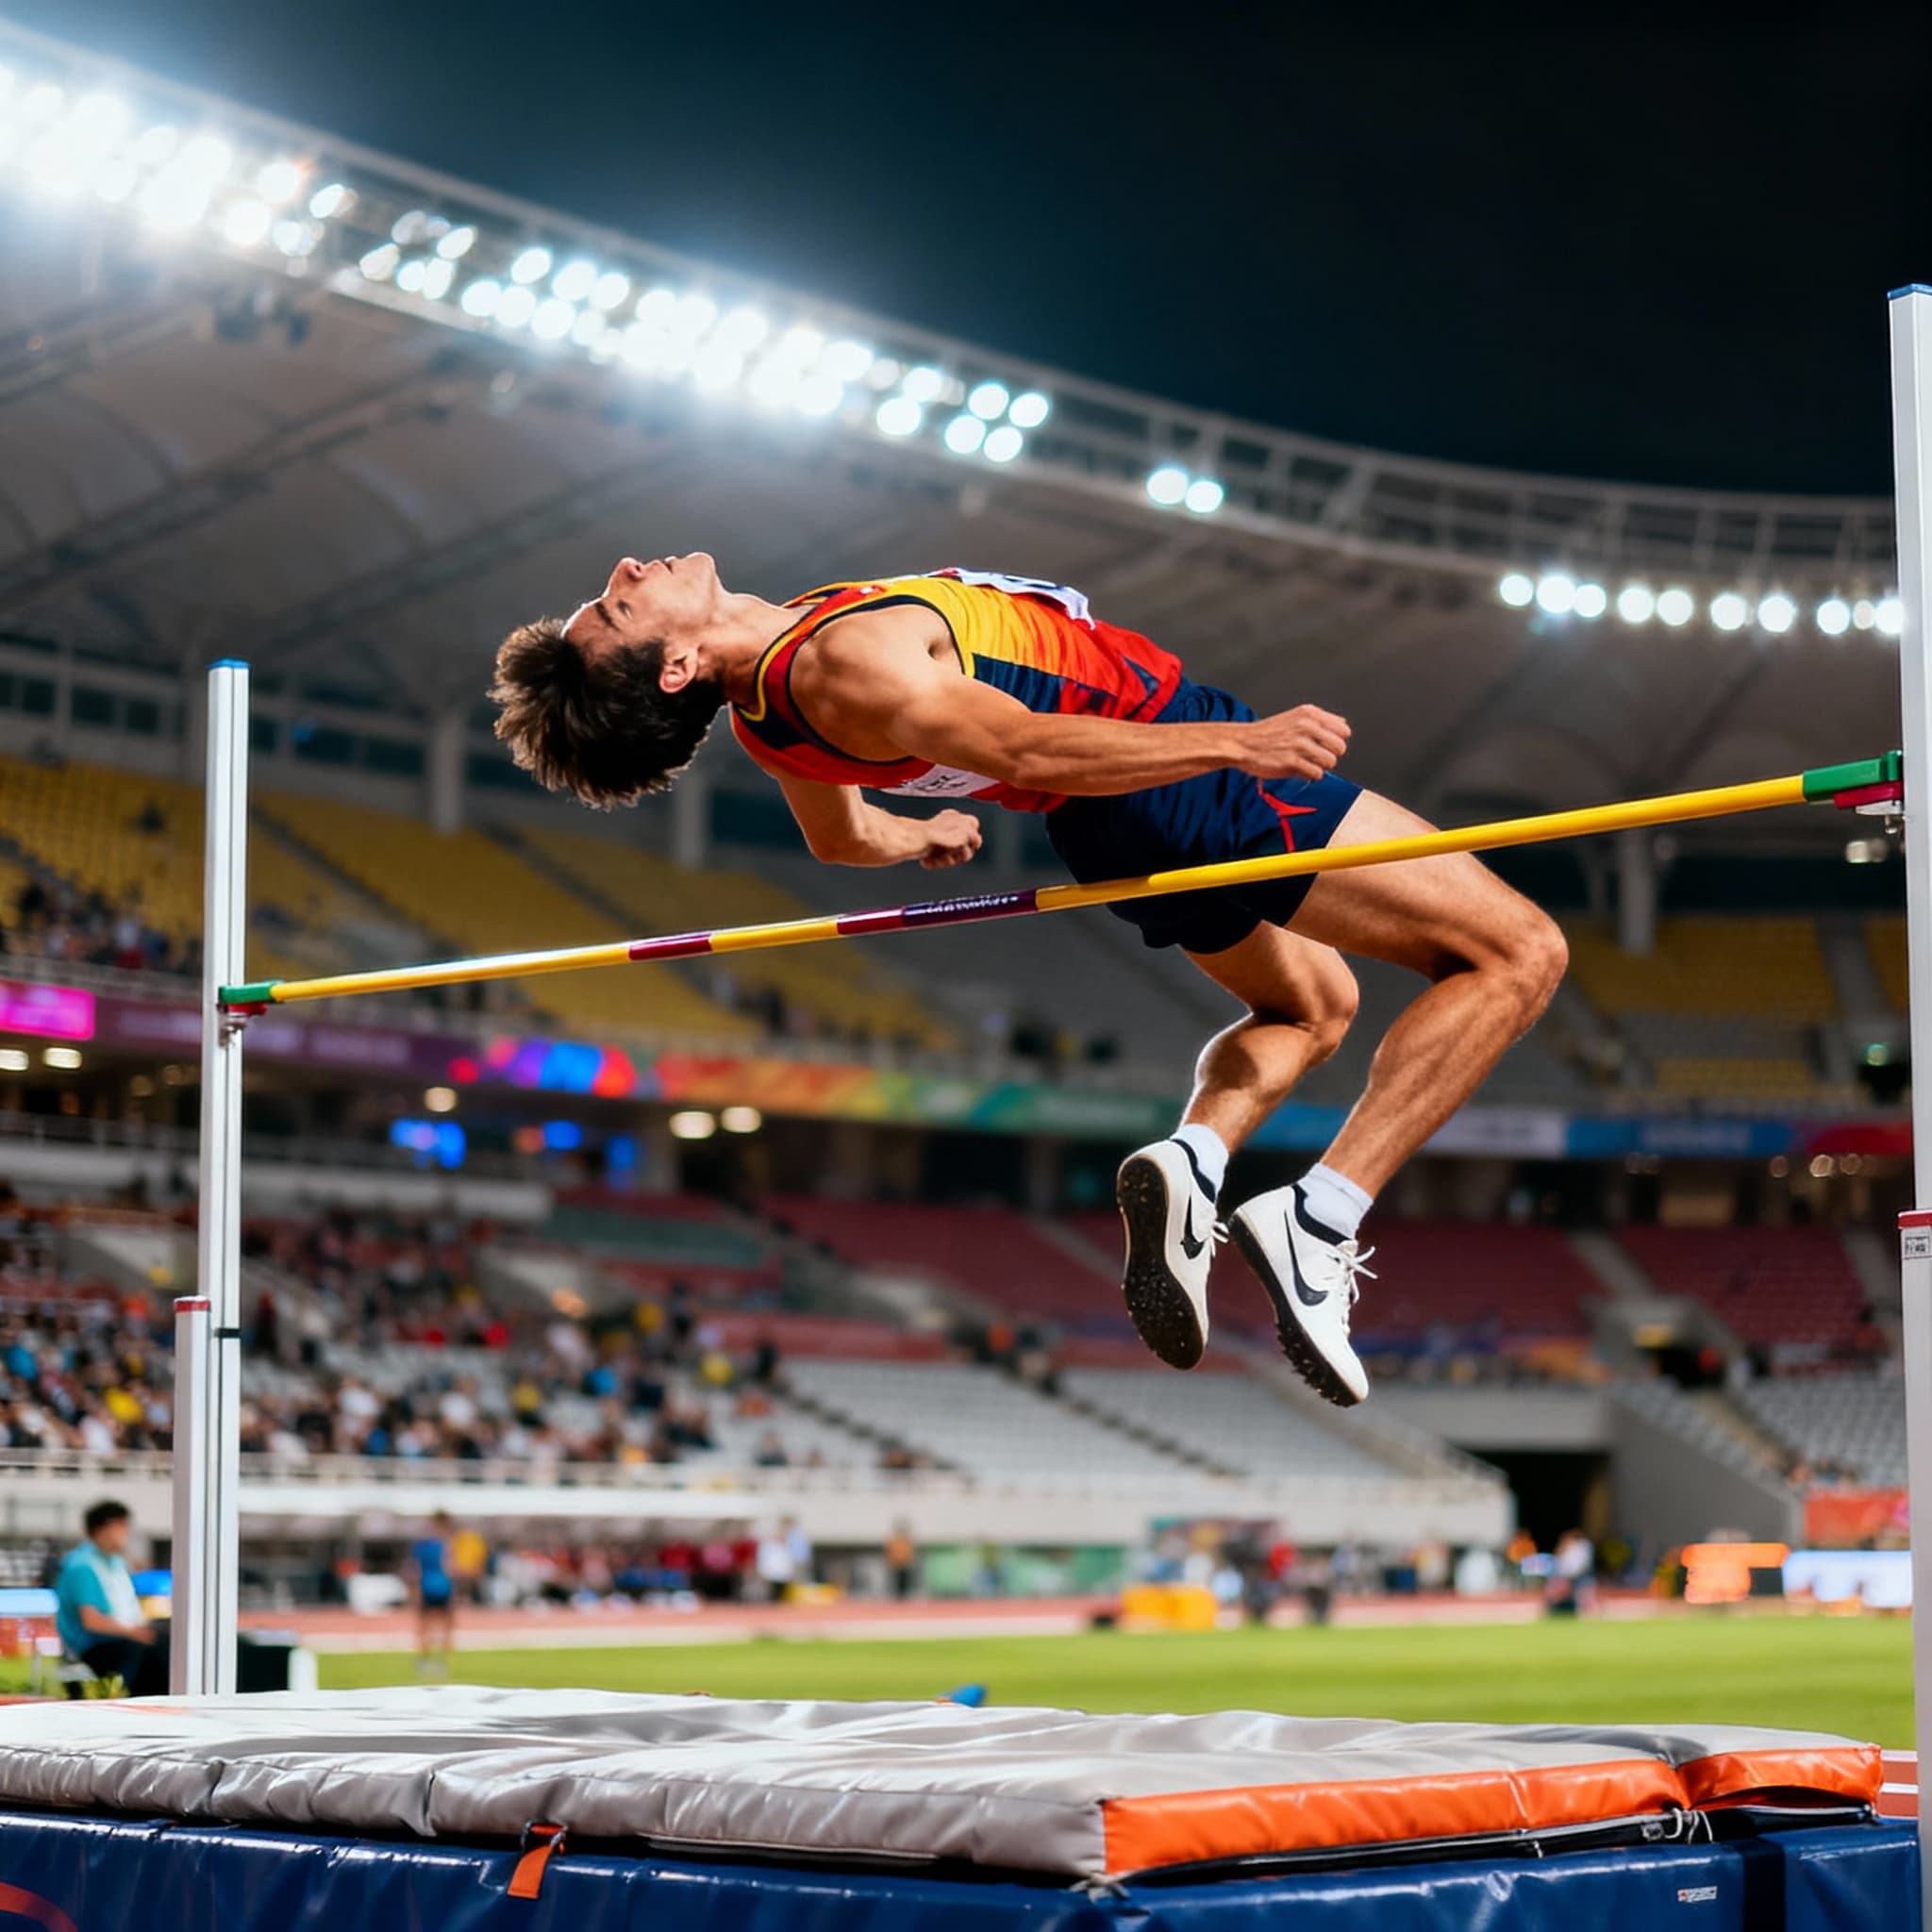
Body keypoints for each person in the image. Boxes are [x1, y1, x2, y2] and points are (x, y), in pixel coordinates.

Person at [491, 558, 1568, 1407]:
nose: (626, 569)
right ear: (676, 667)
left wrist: (919, 838)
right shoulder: (839, 662)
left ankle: (1195, 1163)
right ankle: (1320, 1219)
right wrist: (1234, 745)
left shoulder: (777, 714)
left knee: (1309, 1006)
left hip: (1106, 828)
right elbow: (1030, 745)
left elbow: (840, 837)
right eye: (614, 605)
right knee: (1518, 953)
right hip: (1160, 776)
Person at [56, 1499, 168, 1695]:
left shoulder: (114, 1562)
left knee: (172, 1636)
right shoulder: (83, 1566)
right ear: (103, 1529)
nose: (126, 1533)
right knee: (158, 1652)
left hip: (121, 1636)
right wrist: (134, 1632)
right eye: (121, 1526)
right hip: (97, 1647)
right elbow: (91, 1621)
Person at [409, 1510, 458, 1676]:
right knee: (446, 1626)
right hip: (442, 1586)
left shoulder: (420, 1546)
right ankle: (444, 1662)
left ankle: (424, 1660)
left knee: (425, 1626)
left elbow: (414, 1570)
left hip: (426, 1586)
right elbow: (449, 1566)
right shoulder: (444, 1545)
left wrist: (414, 1590)